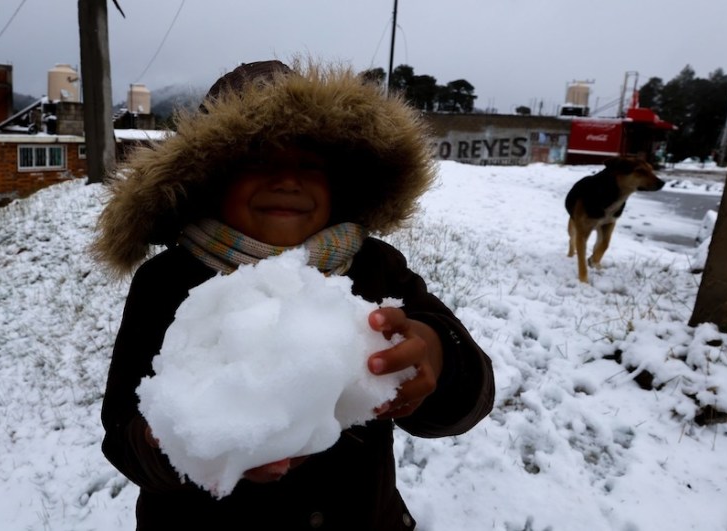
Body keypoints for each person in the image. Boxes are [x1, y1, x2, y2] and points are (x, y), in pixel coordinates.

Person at [93, 59, 495, 530]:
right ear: (211, 178)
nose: (287, 179)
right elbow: (121, 427)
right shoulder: (167, 280)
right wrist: (167, 442)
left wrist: (435, 353)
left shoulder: (372, 268)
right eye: (259, 160)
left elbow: (470, 396)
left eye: (310, 164)